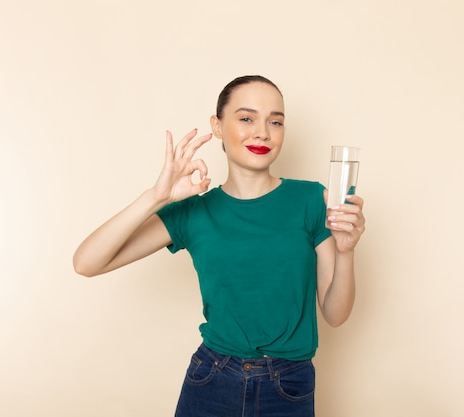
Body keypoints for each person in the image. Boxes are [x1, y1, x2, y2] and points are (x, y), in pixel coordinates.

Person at [73, 75, 365, 416]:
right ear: (217, 125)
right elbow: (87, 263)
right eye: (246, 118)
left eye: (275, 121)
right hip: (211, 379)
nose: (262, 132)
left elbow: (335, 315)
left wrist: (346, 251)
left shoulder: (312, 200)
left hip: (289, 385)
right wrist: (156, 197)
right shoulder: (193, 211)